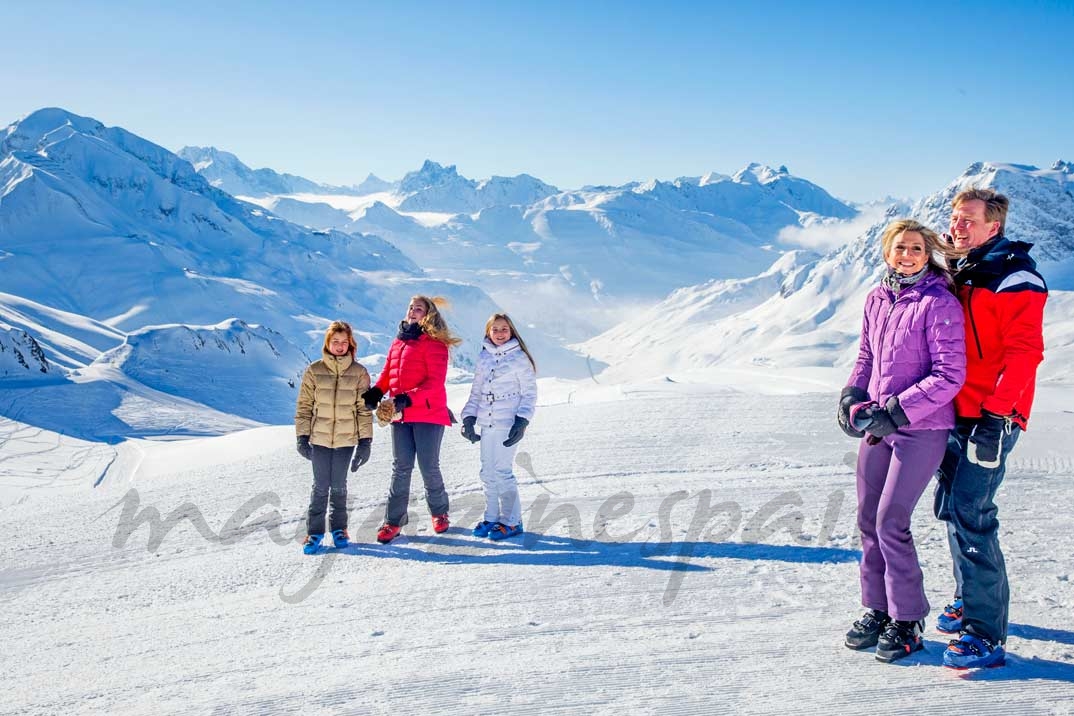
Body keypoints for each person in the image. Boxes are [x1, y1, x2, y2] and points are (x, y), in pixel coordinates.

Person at [838, 219, 966, 663]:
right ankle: (877, 609)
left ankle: (907, 619)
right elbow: (867, 357)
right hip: (879, 425)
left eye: (915, 248)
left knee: (892, 521)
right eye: (899, 248)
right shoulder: (878, 297)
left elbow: (950, 375)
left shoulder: (939, 302)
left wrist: (896, 412)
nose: (907, 254)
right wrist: (853, 397)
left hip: (921, 428)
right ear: (887, 252)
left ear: (926, 252)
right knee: (867, 521)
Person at [933, 188, 1047, 669]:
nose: (957, 226)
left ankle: (985, 632)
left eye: (968, 220)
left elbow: (1025, 355)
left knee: (972, 513)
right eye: (955, 218)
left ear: (993, 226)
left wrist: (996, 417)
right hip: (953, 412)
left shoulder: (1014, 277)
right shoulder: (963, 269)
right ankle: (968, 596)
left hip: (991, 418)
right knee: (950, 508)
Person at [362, 296, 461, 544]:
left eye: (419, 309)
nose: (413, 312)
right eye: (411, 308)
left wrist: (406, 398)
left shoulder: (435, 343)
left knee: (429, 466)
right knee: (401, 467)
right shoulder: (399, 341)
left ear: (428, 314)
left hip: (428, 413)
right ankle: (393, 521)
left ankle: (439, 513)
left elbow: (434, 383)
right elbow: (388, 373)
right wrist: (377, 391)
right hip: (401, 414)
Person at [294, 321, 374, 554]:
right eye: (335, 342)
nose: (339, 346)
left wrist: (365, 442)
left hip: (346, 439)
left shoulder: (359, 373)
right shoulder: (314, 370)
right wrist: (302, 436)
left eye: (344, 342)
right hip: (319, 438)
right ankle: (315, 532)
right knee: (320, 486)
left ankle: (340, 528)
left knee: (338, 485)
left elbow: (363, 410)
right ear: (327, 343)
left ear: (350, 343)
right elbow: (304, 406)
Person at [460, 313, 538, 540]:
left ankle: (512, 521)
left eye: (504, 329)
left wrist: (522, 421)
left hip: (507, 422)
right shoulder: (484, 357)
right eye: (495, 330)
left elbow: (529, 393)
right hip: (487, 422)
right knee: (487, 472)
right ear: (488, 333)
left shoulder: (519, 358)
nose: (500, 334)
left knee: (502, 472)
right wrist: (468, 418)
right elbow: (476, 391)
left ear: (512, 331)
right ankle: (492, 517)